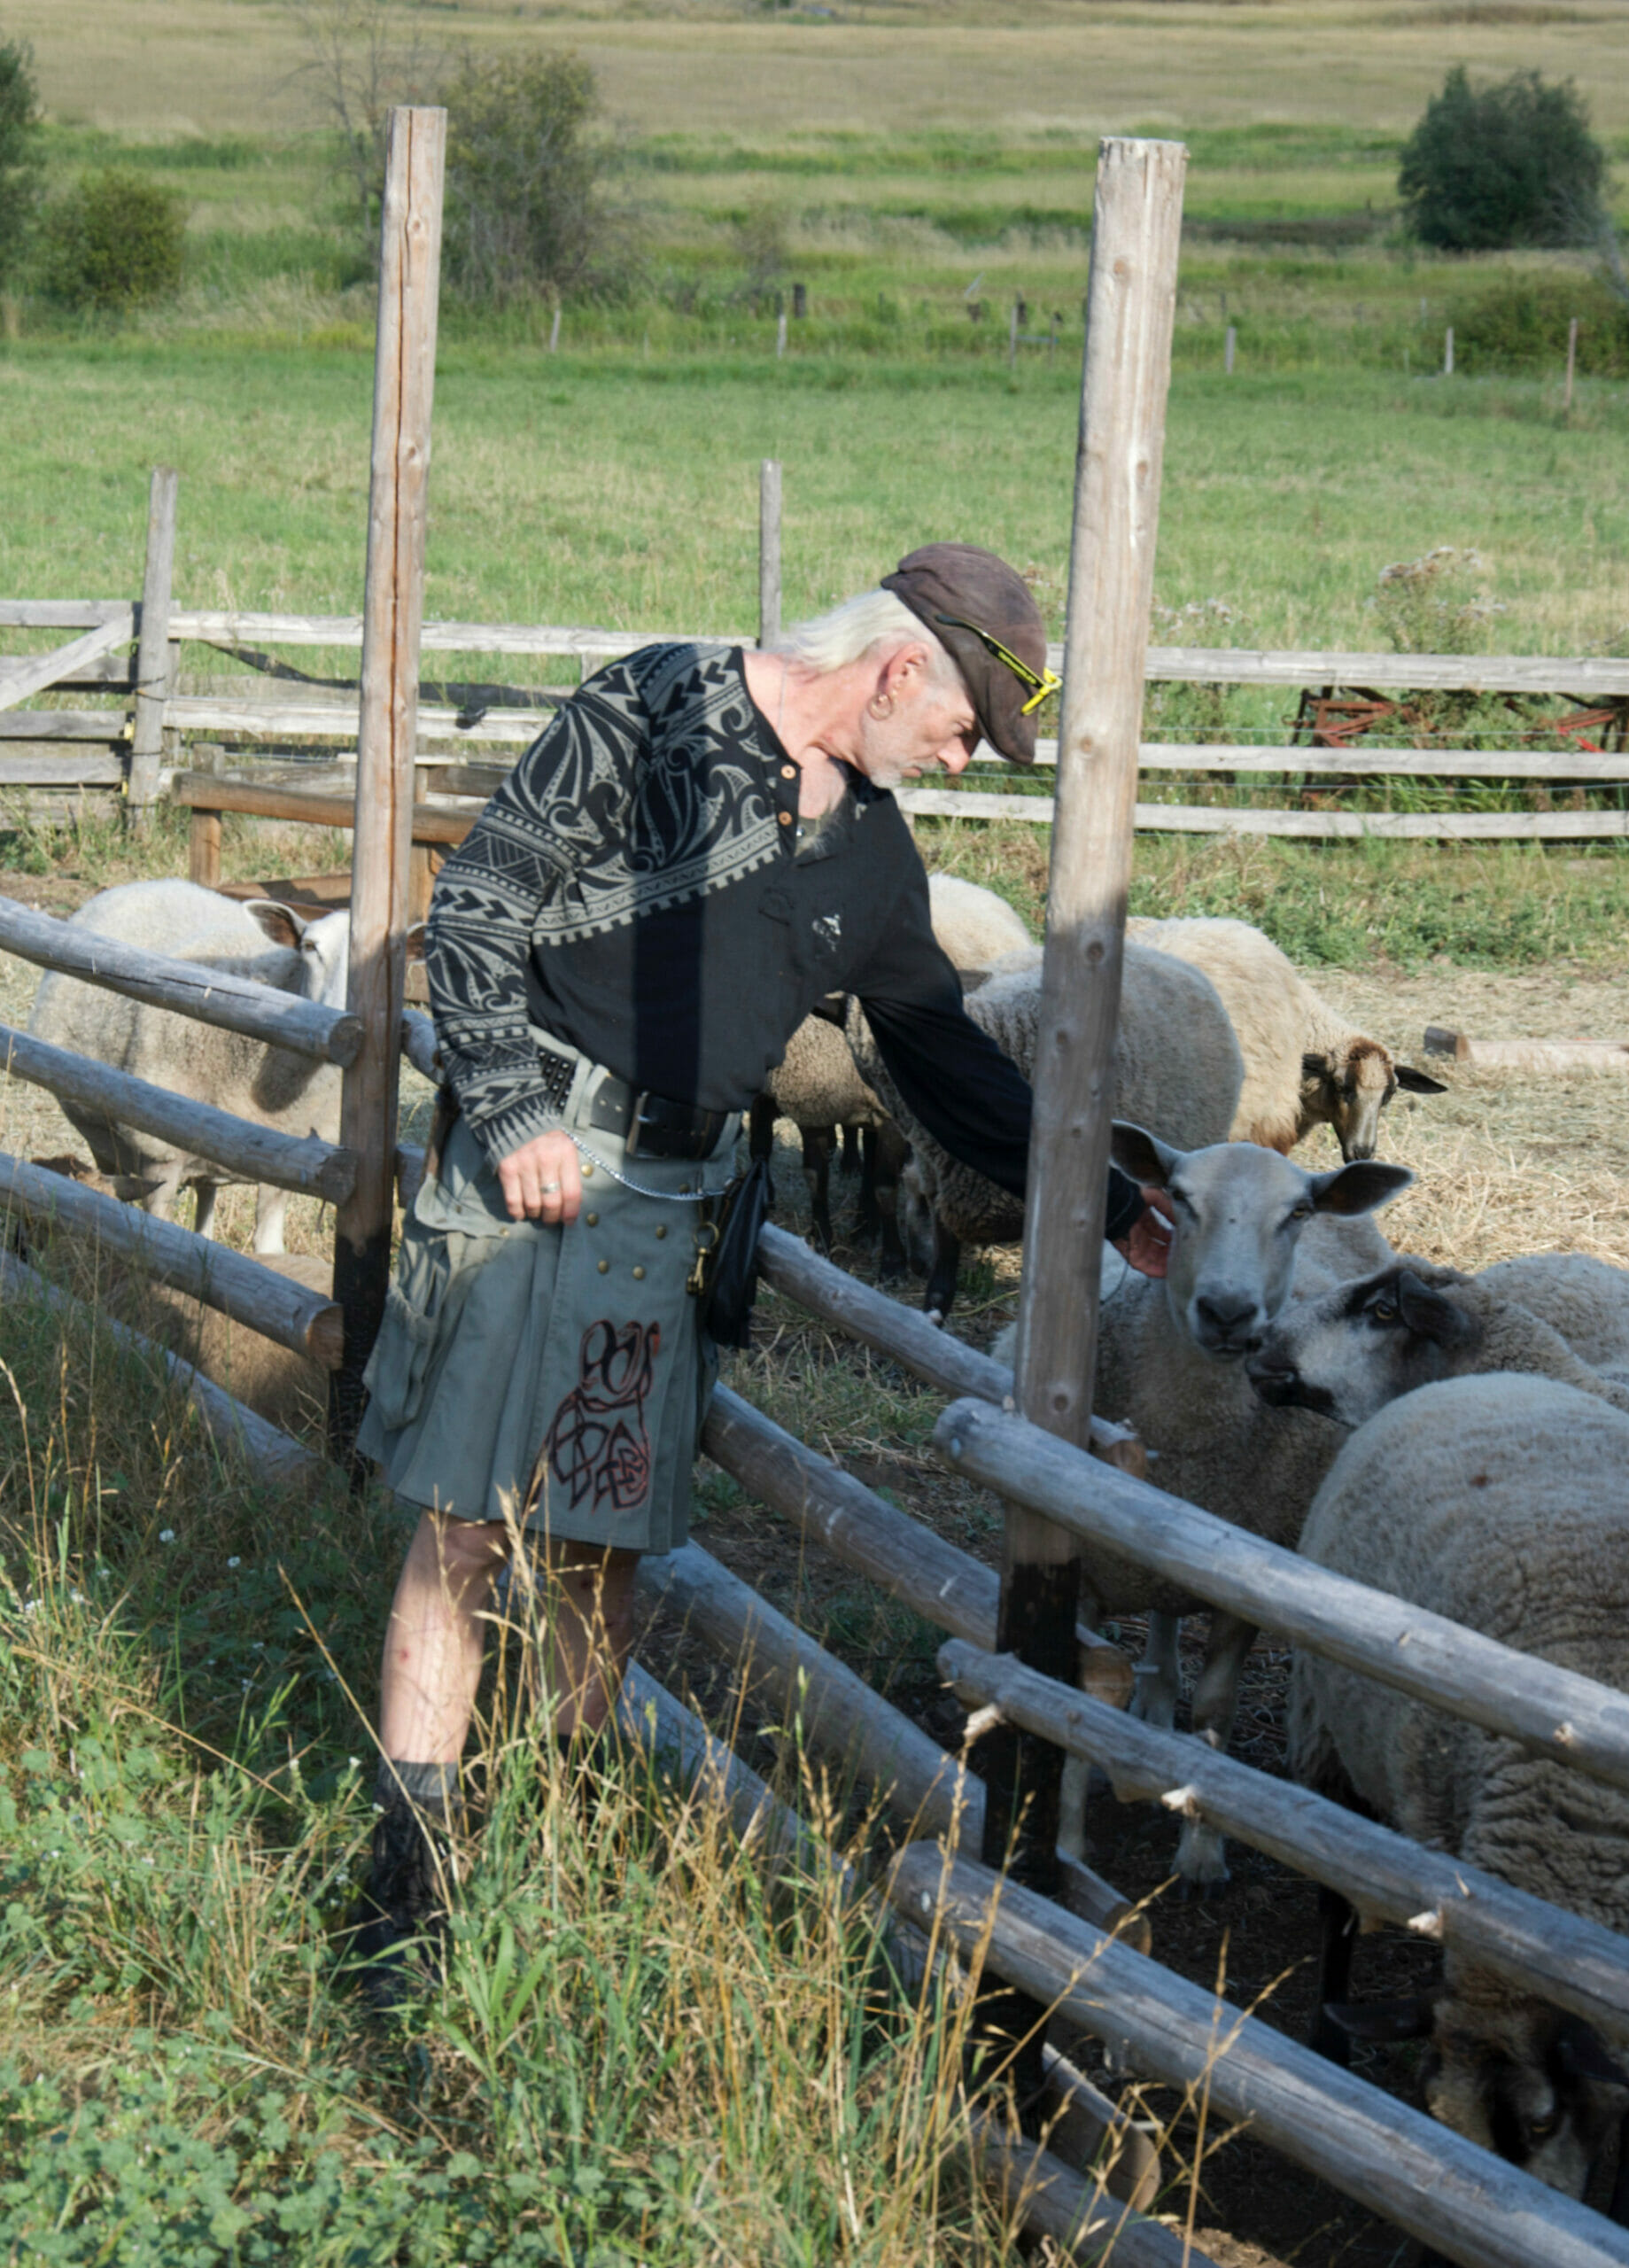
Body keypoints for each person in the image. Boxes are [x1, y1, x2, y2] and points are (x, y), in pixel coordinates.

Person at [352, 544, 1170, 1983]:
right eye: (965, 729)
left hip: (668, 1209)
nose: (962, 760)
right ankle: (404, 1900)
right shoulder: (652, 706)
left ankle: (552, 1850)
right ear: (902, 667)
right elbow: (479, 904)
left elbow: (936, 1060)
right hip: (533, 1173)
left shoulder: (871, 850)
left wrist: (1105, 1197)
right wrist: (511, 1104)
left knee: (602, 1561)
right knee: (465, 1535)